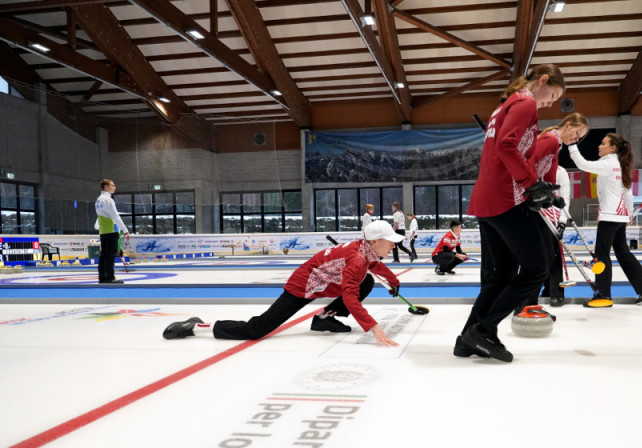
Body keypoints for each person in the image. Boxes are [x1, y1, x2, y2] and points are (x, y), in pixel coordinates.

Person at [456, 63, 566, 362]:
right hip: (505, 198)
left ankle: (467, 338)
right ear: (542, 80)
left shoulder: (506, 103)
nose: (550, 102)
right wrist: (531, 184)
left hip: (488, 198)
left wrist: (538, 185)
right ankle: (484, 331)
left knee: (502, 273)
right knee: (537, 268)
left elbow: (508, 148)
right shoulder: (525, 101)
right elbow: (507, 146)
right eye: (552, 94)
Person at [162, 220, 403, 347]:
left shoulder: (364, 250)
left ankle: (323, 319)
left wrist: (393, 281)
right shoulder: (357, 259)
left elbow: (374, 266)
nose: (393, 245)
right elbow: (350, 297)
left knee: (367, 281)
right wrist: (373, 326)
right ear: (375, 241)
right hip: (302, 287)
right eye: (390, 241)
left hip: (322, 283)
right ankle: (196, 326)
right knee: (256, 330)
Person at [568, 133, 642, 307]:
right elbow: (627, 193)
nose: (599, 146)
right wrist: (629, 214)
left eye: (603, 144)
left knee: (601, 256)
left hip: (610, 216)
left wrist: (572, 145)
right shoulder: (619, 164)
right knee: (622, 252)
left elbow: (583, 164)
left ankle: (603, 295)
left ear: (612, 148)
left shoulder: (608, 163)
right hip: (618, 216)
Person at [521, 113, 588, 311]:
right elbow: (530, 165)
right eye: (576, 134)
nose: (576, 139)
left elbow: (563, 196)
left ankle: (553, 293)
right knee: (540, 257)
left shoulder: (559, 162)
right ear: (567, 126)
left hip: (550, 215)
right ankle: (528, 299)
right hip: (535, 210)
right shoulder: (551, 140)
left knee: (551, 257)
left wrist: (561, 219)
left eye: (580, 137)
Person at [539, 165, 573, 307]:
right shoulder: (534, 167)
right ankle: (544, 290)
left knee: (554, 257)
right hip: (536, 216)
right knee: (537, 257)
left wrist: (563, 220)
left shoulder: (560, 171)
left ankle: (556, 293)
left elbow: (565, 196)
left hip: (553, 218)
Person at [94, 179, 129, 284]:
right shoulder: (108, 200)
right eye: (112, 185)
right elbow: (115, 216)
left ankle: (102, 277)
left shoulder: (98, 200)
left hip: (103, 231)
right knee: (110, 255)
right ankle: (110, 277)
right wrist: (125, 229)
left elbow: (99, 218)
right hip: (111, 230)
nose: (115, 187)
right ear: (106, 187)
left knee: (104, 255)